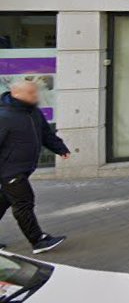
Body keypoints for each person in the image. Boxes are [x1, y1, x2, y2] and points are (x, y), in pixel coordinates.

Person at [0, 80, 70, 253]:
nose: (35, 96)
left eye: (35, 92)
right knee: (24, 202)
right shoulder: (4, 116)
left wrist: (60, 148)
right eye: (31, 93)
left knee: (4, 201)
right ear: (17, 93)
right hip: (9, 170)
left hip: (25, 167)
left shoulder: (33, 112)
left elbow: (46, 134)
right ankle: (38, 241)